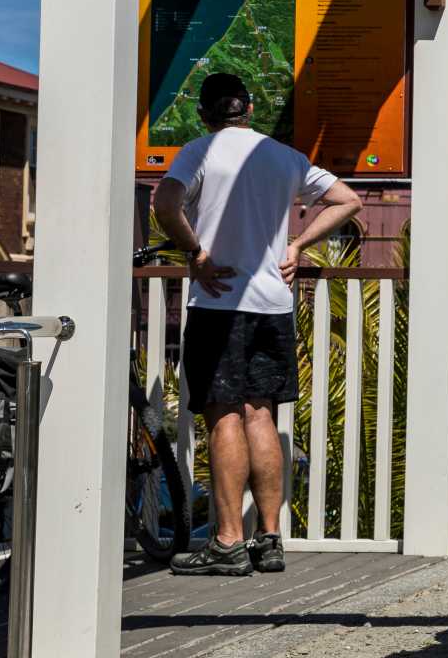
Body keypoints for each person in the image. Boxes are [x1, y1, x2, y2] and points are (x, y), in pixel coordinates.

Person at [152, 73, 363, 577]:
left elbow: (164, 203)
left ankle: (227, 541)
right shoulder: (283, 156)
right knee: (261, 415)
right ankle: (269, 538)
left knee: (224, 416)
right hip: (272, 301)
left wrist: (196, 253)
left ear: (204, 113)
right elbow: (348, 199)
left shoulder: (198, 151)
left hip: (219, 301)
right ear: (248, 109)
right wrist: (297, 246)